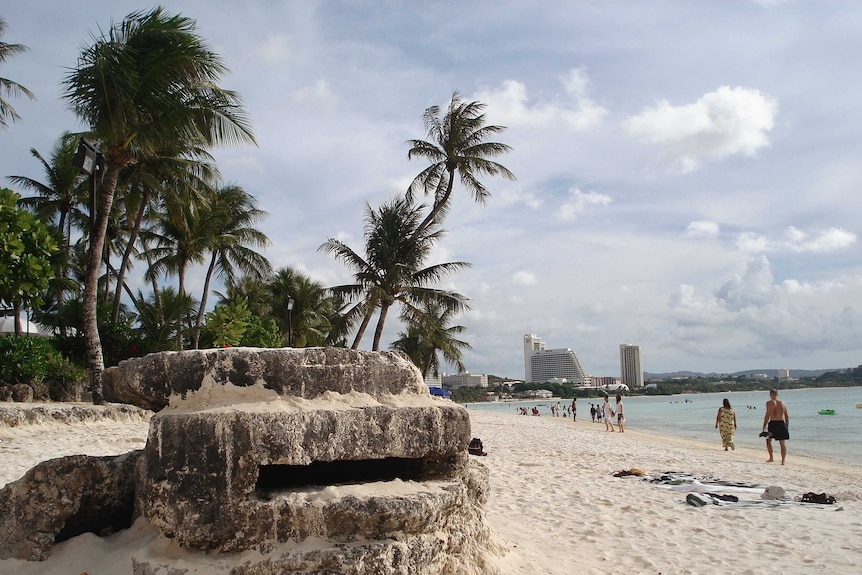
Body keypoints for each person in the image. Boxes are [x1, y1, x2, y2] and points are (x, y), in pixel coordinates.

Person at [762, 389, 790, 465]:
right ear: (777, 395)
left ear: (770, 395)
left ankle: (771, 458)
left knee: (768, 441)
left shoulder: (768, 403)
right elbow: (786, 416)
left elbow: (767, 415)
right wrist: (787, 427)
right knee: (782, 442)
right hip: (781, 423)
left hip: (773, 424)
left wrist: (764, 426)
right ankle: (783, 461)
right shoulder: (783, 403)